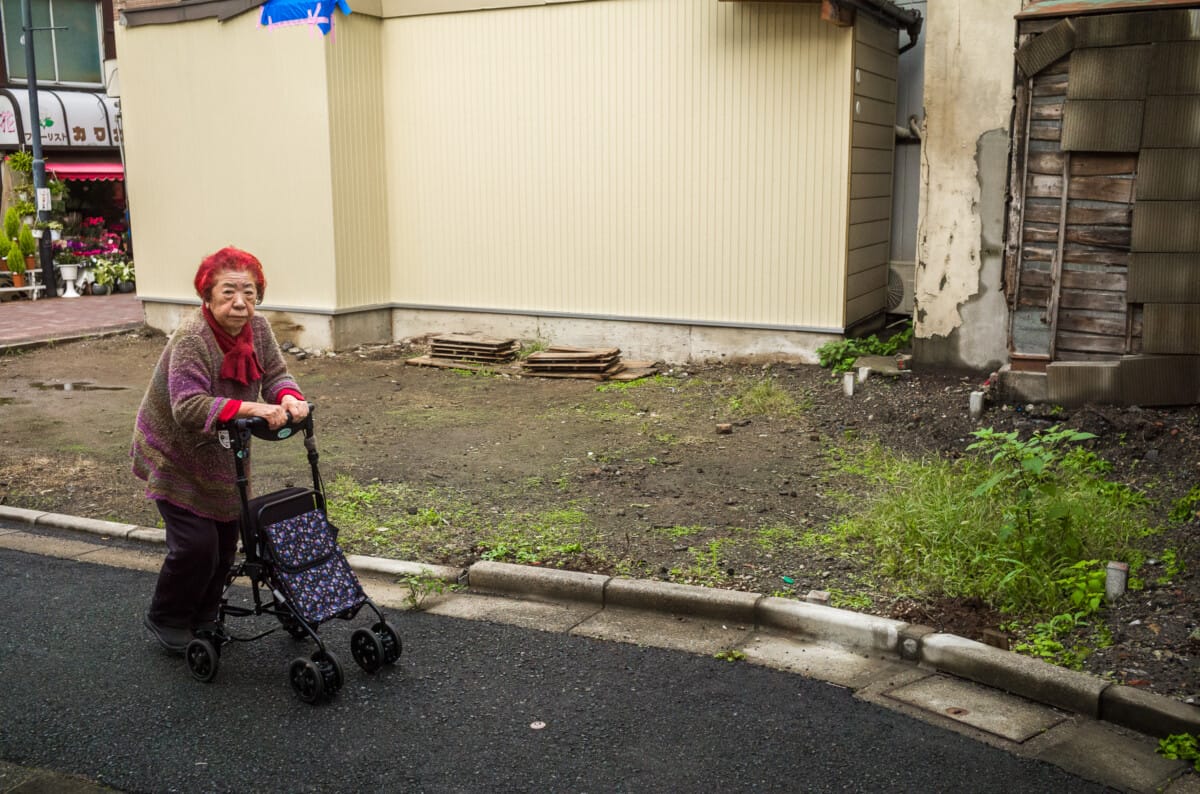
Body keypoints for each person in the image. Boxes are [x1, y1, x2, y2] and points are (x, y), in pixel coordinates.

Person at [131, 246, 310, 653]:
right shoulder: (193, 338)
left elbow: (277, 374)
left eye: (249, 292)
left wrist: (289, 398)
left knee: (228, 539)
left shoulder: (259, 330)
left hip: (226, 452)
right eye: (228, 292)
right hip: (174, 450)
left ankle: (206, 615)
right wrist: (253, 407)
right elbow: (187, 406)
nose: (240, 303)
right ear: (207, 296)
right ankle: (168, 617)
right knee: (197, 545)